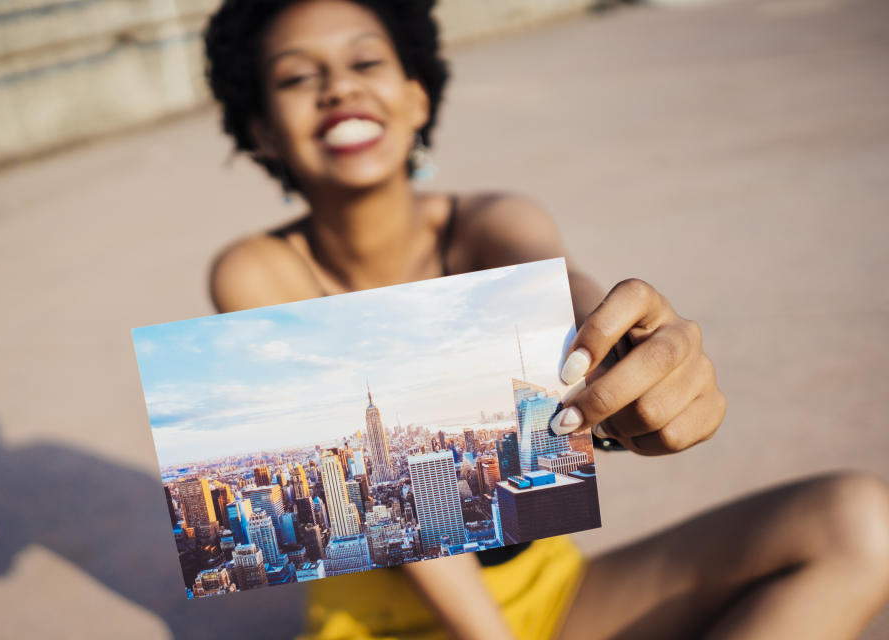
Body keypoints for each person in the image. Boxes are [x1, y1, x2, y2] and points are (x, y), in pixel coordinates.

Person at [202, 1, 889, 638]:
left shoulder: (492, 222)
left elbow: (567, 293)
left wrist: (626, 351)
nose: (338, 87)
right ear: (260, 126)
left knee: (858, 522)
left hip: (550, 597)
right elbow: (405, 521)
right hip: (381, 627)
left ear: (417, 95)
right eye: (296, 77)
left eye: (366, 62)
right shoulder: (258, 271)